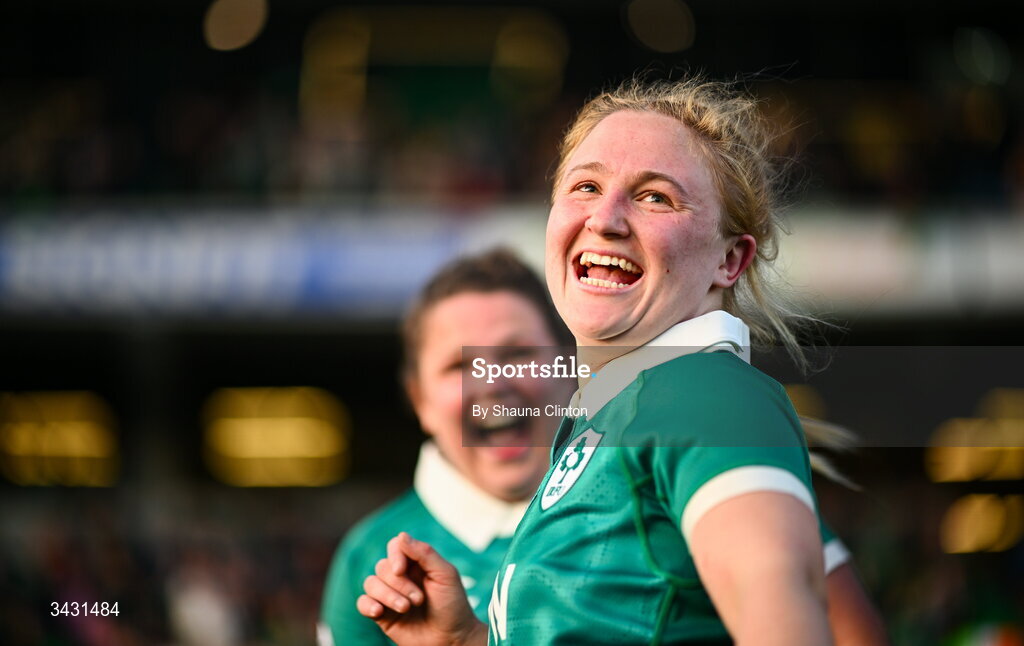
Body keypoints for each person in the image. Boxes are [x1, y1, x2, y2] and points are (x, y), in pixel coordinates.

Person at [354, 77, 889, 645]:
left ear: (729, 261)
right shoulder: (605, 421)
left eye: (656, 196)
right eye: (585, 186)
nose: (605, 219)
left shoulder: (702, 394)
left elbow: (785, 624)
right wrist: (466, 638)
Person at [317, 248, 576, 646]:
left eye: (519, 354)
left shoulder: (643, 510)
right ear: (420, 400)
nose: (492, 382)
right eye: (460, 365)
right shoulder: (372, 559)